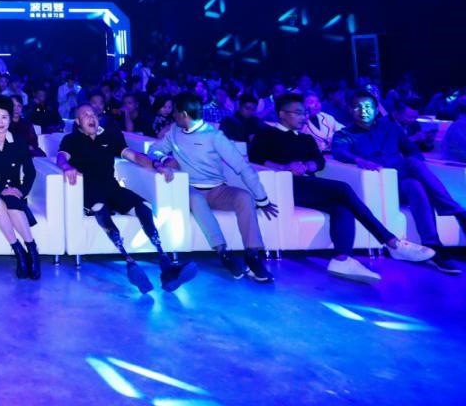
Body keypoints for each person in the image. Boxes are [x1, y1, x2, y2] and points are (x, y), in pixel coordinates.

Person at [250, 93, 434, 282]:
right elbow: (254, 158)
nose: (303, 117)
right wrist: (283, 167)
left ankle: (342, 259)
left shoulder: (305, 138)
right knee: (342, 189)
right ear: (282, 114)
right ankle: (391, 241)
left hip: (309, 186)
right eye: (297, 113)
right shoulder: (266, 134)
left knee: (342, 207)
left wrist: (308, 166)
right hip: (284, 186)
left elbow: (319, 161)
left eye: (304, 113)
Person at [57, 104, 197, 293]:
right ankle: (130, 262)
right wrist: (67, 168)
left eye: (93, 114)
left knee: (143, 208)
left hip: (112, 187)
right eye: (85, 115)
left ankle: (166, 265)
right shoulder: (71, 139)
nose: (91, 117)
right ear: (78, 121)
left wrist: (156, 165)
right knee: (100, 208)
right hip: (88, 190)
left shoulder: (111, 136)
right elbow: (61, 158)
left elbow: (134, 156)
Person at [149, 92, 278, 282]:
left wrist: (262, 199)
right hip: (190, 189)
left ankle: (252, 255)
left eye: (175, 112)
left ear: (184, 114)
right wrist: (164, 159)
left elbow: (242, 167)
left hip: (217, 190)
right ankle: (223, 253)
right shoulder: (174, 132)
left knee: (244, 197)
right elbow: (154, 149)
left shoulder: (214, 136)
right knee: (195, 198)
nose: (173, 115)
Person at [332, 91, 466, 274]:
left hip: (401, 182)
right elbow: (340, 152)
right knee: (411, 164)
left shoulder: (391, 129)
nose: (364, 111)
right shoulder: (344, 134)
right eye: (358, 107)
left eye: (368, 107)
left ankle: (434, 247)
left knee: (415, 185)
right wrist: (358, 160)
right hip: (379, 183)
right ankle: (457, 212)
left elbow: (412, 151)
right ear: (350, 109)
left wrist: (417, 162)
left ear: (376, 109)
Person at [0, 97, 41, 279]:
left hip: (13, 190)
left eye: (4, 117)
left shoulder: (19, 142)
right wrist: (1, 189)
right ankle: (19, 252)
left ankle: (32, 250)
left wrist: (22, 191)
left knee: (11, 201)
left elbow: (30, 172)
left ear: (10, 118)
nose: (0, 122)